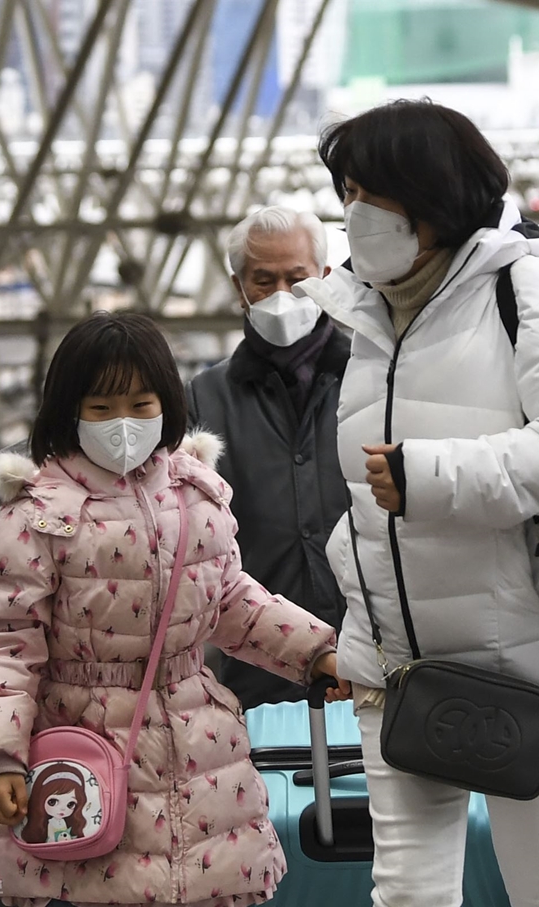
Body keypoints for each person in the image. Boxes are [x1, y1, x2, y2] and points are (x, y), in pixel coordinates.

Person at [291, 99, 539, 907]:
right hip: (395, 662)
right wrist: (352, 565)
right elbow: (363, 490)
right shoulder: (362, 315)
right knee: (406, 893)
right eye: (347, 192)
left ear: (433, 195)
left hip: (528, 669)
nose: (354, 213)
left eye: (373, 191)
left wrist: (432, 478)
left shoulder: (531, 290)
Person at [0, 310, 349, 907]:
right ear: (68, 409)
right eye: (101, 407)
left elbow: (229, 600)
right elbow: (6, 644)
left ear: (167, 404)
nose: (124, 423)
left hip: (203, 754)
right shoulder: (35, 516)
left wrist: (319, 650)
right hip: (83, 756)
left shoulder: (195, 496)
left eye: (142, 405)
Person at [186, 206, 350, 709]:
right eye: (263, 280)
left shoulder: (372, 380)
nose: (282, 295)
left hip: (372, 651)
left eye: (296, 278)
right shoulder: (204, 399)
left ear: (324, 279)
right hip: (258, 669)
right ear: (240, 288)